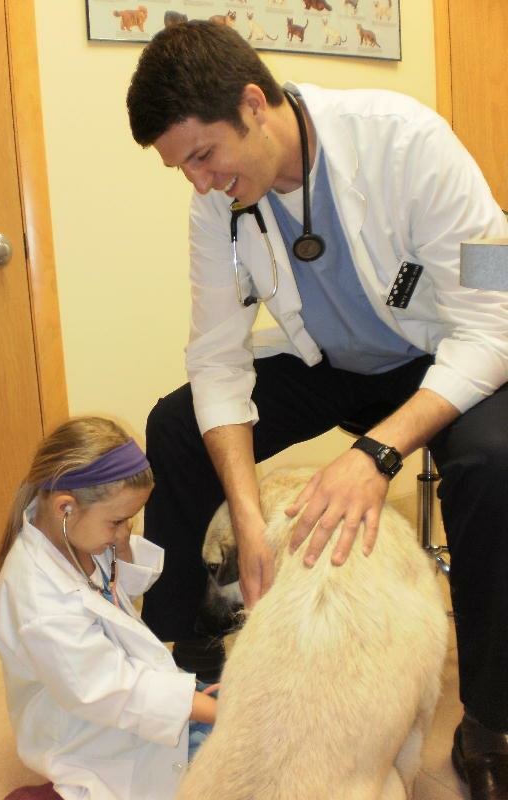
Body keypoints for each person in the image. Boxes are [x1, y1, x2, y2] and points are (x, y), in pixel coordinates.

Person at [126, 21, 508, 800]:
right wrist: (250, 521)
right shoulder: (216, 205)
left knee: (494, 463)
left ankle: (488, 723)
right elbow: (217, 359)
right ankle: (189, 664)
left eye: (203, 156)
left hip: (445, 356)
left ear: (254, 104)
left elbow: (496, 319)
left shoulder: (411, 143)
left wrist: (377, 455)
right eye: (182, 168)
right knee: (176, 428)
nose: (198, 182)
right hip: (330, 361)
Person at [0, 416, 217, 800]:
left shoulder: (74, 538)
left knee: (254, 715)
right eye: (118, 521)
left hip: (135, 696)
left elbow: (119, 594)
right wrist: (209, 712)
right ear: (65, 508)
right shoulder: (39, 600)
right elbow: (107, 690)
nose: (123, 530)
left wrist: (119, 545)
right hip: (95, 732)